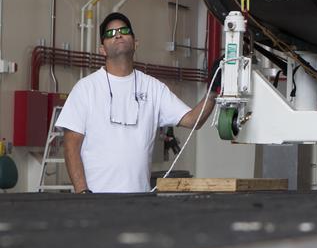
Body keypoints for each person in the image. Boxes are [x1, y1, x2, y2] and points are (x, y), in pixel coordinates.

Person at [56, 12, 216, 194]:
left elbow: (193, 120)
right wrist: (82, 192)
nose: (117, 35)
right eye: (110, 33)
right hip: (95, 200)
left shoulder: (153, 88)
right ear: (102, 49)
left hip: (140, 200)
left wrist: (213, 92)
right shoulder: (85, 89)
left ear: (135, 42)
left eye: (124, 30)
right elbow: (71, 146)